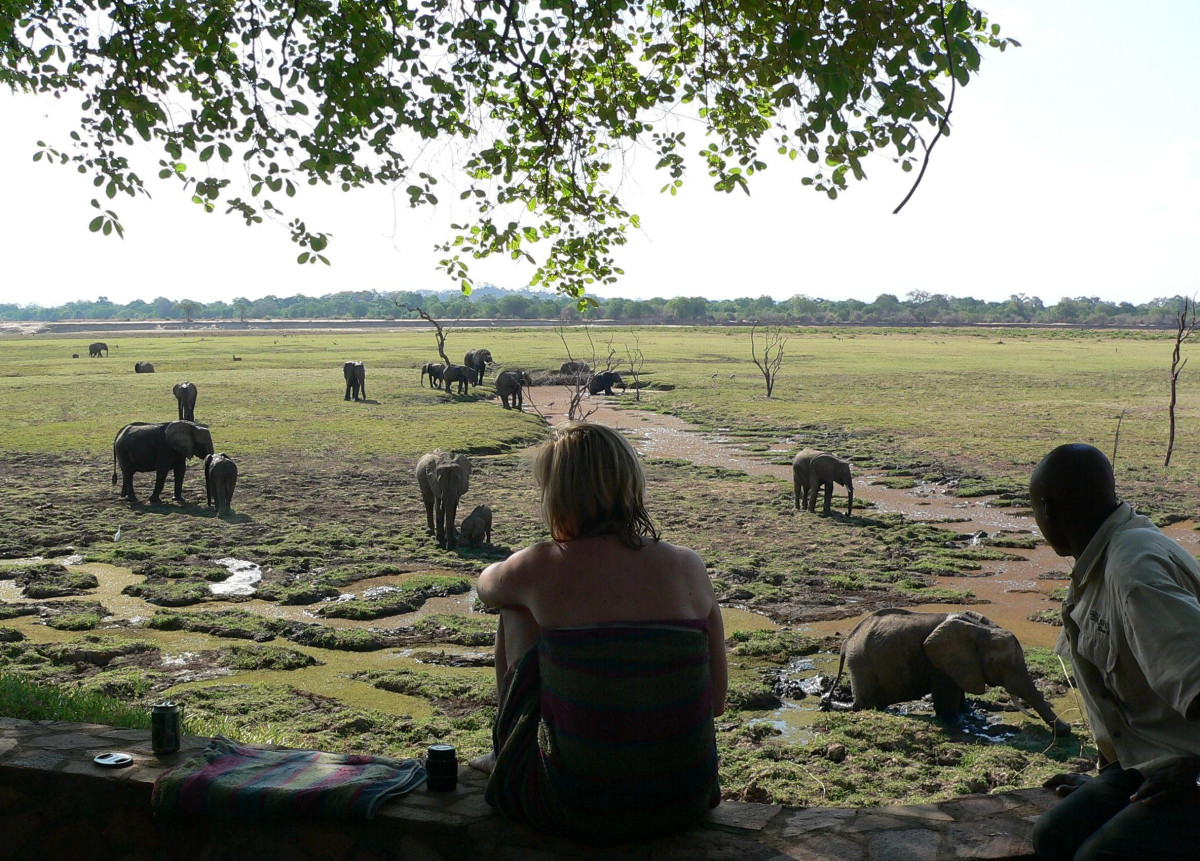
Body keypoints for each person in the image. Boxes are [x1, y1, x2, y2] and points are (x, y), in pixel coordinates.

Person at [474, 421, 727, 842]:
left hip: (575, 803)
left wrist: (524, 575)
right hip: (685, 798)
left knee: (513, 607)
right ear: (632, 485)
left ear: (556, 495)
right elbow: (716, 702)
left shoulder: (540, 565)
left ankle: (508, 750)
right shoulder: (689, 565)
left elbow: (487, 587)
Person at [1028, 443, 1200, 861]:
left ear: (1048, 508)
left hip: (1187, 767)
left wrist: (1196, 775)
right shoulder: (1103, 558)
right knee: (1053, 835)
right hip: (1147, 763)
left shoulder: (1133, 573)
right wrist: (1114, 773)